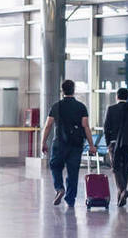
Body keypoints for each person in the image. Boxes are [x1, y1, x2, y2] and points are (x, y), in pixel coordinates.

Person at [40, 79, 97, 208]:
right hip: (76, 144)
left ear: (62, 91)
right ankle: (70, 199)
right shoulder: (81, 107)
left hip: (60, 143)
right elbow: (85, 126)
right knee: (73, 172)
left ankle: (59, 188)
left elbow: (48, 125)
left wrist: (43, 142)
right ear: (73, 90)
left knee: (55, 165)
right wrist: (91, 145)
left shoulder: (56, 106)